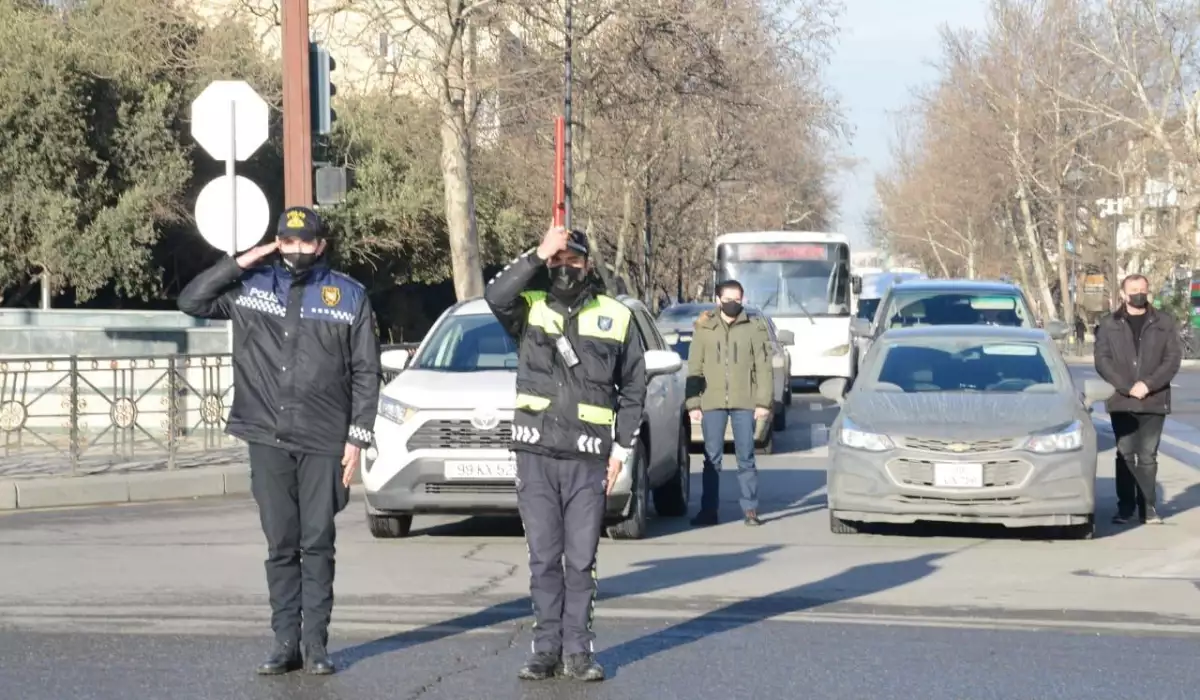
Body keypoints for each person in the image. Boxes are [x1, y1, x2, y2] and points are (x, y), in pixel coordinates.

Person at [177, 206, 381, 675]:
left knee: (318, 540)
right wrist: (247, 259)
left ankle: (316, 646)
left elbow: (367, 371)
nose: (295, 250)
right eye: (286, 242)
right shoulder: (251, 286)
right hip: (265, 432)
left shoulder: (348, 296)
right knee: (281, 542)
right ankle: (284, 642)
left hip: (325, 437)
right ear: (277, 244)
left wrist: (358, 437)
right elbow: (192, 301)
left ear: (321, 245)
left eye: (304, 242)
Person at [485, 225, 646, 682]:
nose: (564, 269)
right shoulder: (530, 308)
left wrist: (622, 450)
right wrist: (538, 253)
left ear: (587, 265)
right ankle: (544, 649)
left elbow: (634, 387)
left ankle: (578, 651)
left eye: (571, 261)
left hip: (589, 458)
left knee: (580, 560)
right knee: (543, 558)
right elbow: (495, 296)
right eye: (557, 262)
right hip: (535, 454)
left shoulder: (616, 315)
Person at [1094, 274, 1182, 525]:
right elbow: (1103, 360)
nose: (1139, 294)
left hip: (1154, 399)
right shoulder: (1109, 323)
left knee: (1147, 456)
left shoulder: (1163, 322)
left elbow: (1172, 358)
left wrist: (1149, 384)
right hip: (1122, 399)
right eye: (1134, 290)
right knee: (1124, 454)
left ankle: (1149, 508)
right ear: (1123, 294)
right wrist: (1126, 386)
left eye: (1143, 289)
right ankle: (1125, 508)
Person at [686, 279, 773, 527]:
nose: (732, 304)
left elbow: (764, 368)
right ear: (718, 300)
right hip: (712, 401)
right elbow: (695, 367)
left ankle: (750, 510)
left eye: (737, 299)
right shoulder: (704, 328)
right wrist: (693, 403)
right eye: (727, 300)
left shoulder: (754, 328)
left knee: (745, 456)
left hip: (745, 401)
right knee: (711, 459)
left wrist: (763, 402)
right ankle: (708, 511)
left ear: (742, 300)